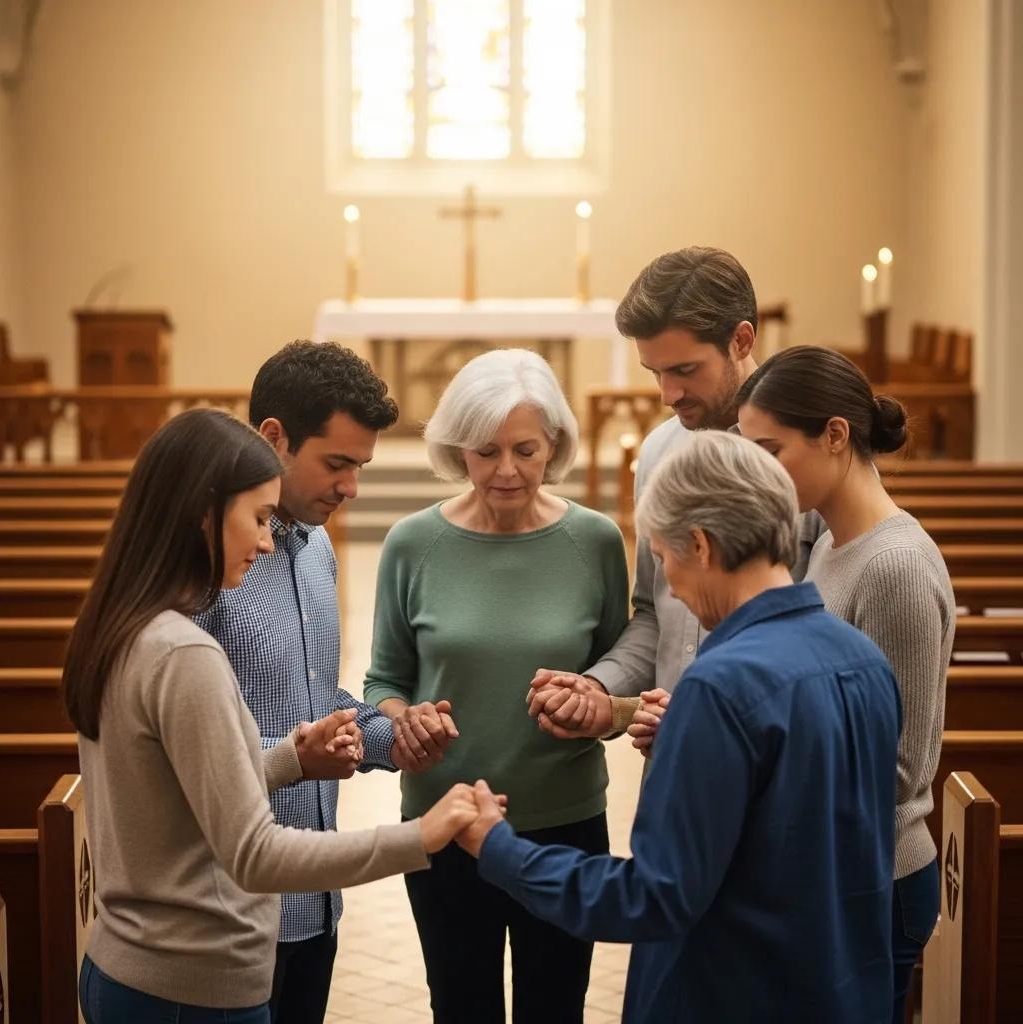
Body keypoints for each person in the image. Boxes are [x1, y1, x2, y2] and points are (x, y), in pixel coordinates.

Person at [456, 430, 902, 1024]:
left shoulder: (720, 686)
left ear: (700, 544)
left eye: (665, 563)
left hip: (733, 992)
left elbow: (653, 898)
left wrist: (499, 847)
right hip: (841, 989)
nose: (678, 593)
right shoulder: (863, 657)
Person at [63, 408, 489, 1023]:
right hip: (192, 985)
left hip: (132, 965)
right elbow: (256, 855)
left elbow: (181, 784)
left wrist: (293, 758)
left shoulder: (122, 626)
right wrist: (424, 835)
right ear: (203, 512)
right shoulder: (184, 652)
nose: (267, 541)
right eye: (259, 518)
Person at [362, 348, 629, 1023]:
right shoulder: (411, 543)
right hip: (444, 821)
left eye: (525, 449)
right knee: (460, 1005)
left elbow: (621, 686)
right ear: (458, 449)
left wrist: (597, 706)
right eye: (485, 452)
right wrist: (403, 720)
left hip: (562, 824)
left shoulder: (594, 541)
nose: (506, 470)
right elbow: (383, 680)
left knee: (556, 1007)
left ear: (556, 446)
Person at [194, 342, 455, 1023]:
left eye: (361, 467)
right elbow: (184, 753)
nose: (351, 489)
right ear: (272, 437)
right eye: (336, 464)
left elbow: (317, 701)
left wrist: (394, 738)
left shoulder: (316, 551)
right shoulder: (204, 567)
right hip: (229, 911)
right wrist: (296, 756)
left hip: (315, 905)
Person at [526, 246, 824, 744]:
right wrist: (599, 688)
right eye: (654, 373)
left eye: (684, 370)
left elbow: (826, 637)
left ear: (741, 339)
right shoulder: (661, 451)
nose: (667, 394)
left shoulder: (806, 457)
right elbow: (654, 613)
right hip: (671, 762)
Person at [736, 345, 955, 1023]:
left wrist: (749, 767)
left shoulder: (895, 566)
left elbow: (901, 765)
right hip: (830, 864)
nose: (759, 474)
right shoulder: (832, 541)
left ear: (834, 435)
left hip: (875, 875)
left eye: (771, 450)